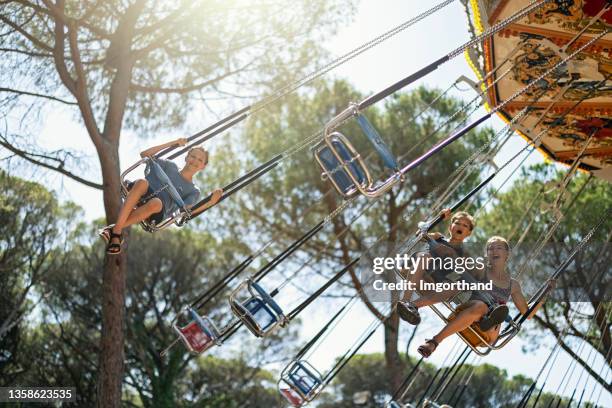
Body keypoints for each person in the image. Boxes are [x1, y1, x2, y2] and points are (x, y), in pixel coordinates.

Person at [416, 236, 556, 358]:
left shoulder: (513, 285)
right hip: (471, 313)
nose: (494, 251)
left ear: (507, 254)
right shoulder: (479, 268)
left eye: (499, 248)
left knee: (485, 307)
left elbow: (527, 313)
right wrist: (435, 239)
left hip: (488, 333)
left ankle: (490, 318)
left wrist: (545, 294)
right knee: (477, 303)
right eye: (491, 248)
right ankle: (433, 342)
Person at [99, 138, 223, 254]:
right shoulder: (170, 166)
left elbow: (188, 211)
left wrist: (211, 202)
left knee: (156, 203)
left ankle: (115, 230)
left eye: (200, 160)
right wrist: (173, 143)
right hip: (142, 192)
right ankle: (116, 232)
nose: (195, 160)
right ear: (186, 157)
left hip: (158, 211)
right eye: (193, 156)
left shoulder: (193, 191)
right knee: (142, 183)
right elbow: (145, 154)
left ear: (203, 166)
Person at [397, 209, 476, 325]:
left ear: (468, 233)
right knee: (425, 257)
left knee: (456, 286)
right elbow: (420, 233)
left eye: (465, 225)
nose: (460, 226)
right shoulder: (438, 237)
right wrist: (439, 218)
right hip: (413, 269)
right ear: (450, 227)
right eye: (457, 223)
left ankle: (413, 306)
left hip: (431, 284)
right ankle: (405, 300)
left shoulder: (464, 256)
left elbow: (461, 274)